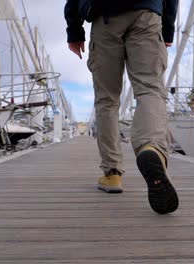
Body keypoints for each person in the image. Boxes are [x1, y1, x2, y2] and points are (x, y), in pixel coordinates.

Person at [64, 0, 179, 214]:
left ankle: (112, 173)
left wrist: (74, 29)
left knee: (107, 100)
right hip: (147, 13)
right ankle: (151, 147)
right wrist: (168, 28)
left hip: (105, 16)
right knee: (149, 89)